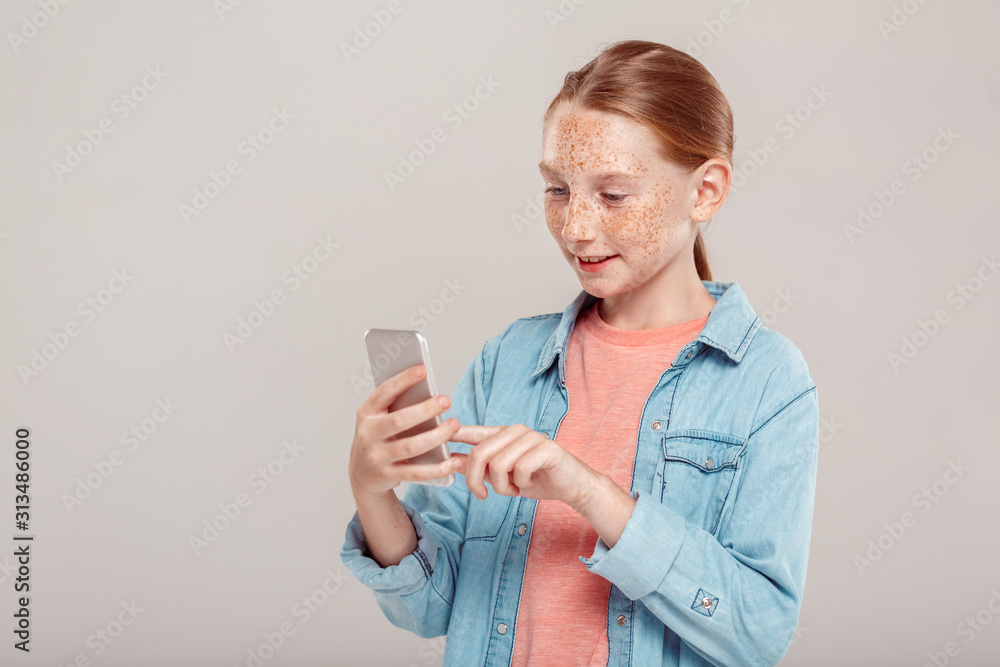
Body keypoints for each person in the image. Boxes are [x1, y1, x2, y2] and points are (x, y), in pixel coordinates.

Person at [341, 39, 819, 667]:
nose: (576, 228)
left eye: (613, 194)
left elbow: (757, 633)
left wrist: (588, 492)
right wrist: (371, 490)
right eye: (558, 190)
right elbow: (431, 608)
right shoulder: (507, 360)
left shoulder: (766, 381)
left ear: (705, 191)